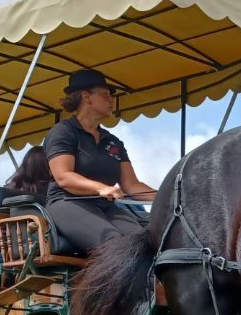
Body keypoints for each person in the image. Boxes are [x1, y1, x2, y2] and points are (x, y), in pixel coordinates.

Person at [43, 69, 156, 253]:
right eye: (106, 94)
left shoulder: (112, 141)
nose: (112, 100)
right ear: (86, 97)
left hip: (105, 206)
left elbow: (131, 185)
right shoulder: (63, 131)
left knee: (146, 243)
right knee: (114, 242)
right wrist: (101, 188)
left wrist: (167, 196)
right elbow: (63, 177)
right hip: (66, 202)